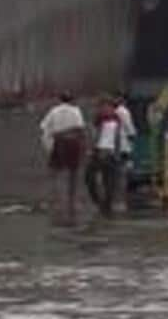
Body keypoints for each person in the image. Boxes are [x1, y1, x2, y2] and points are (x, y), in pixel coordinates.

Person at [39, 93, 87, 224]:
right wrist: (84, 149)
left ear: (59, 100)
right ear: (72, 100)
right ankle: (72, 201)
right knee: (74, 173)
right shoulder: (76, 111)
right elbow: (81, 129)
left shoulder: (53, 111)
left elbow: (44, 127)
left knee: (55, 173)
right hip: (74, 144)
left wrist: (48, 147)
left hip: (60, 142)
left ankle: (57, 202)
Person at [85, 97, 124, 217]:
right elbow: (94, 134)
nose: (105, 109)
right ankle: (102, 202)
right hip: (100, 151)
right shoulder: (101, 119)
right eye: (103, 107)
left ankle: (106, 204)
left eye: (107, 107)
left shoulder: (115, 120)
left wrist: (117, 152)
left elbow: (116, 137)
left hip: (107, 152)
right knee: (92, 178)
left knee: (108, 181)